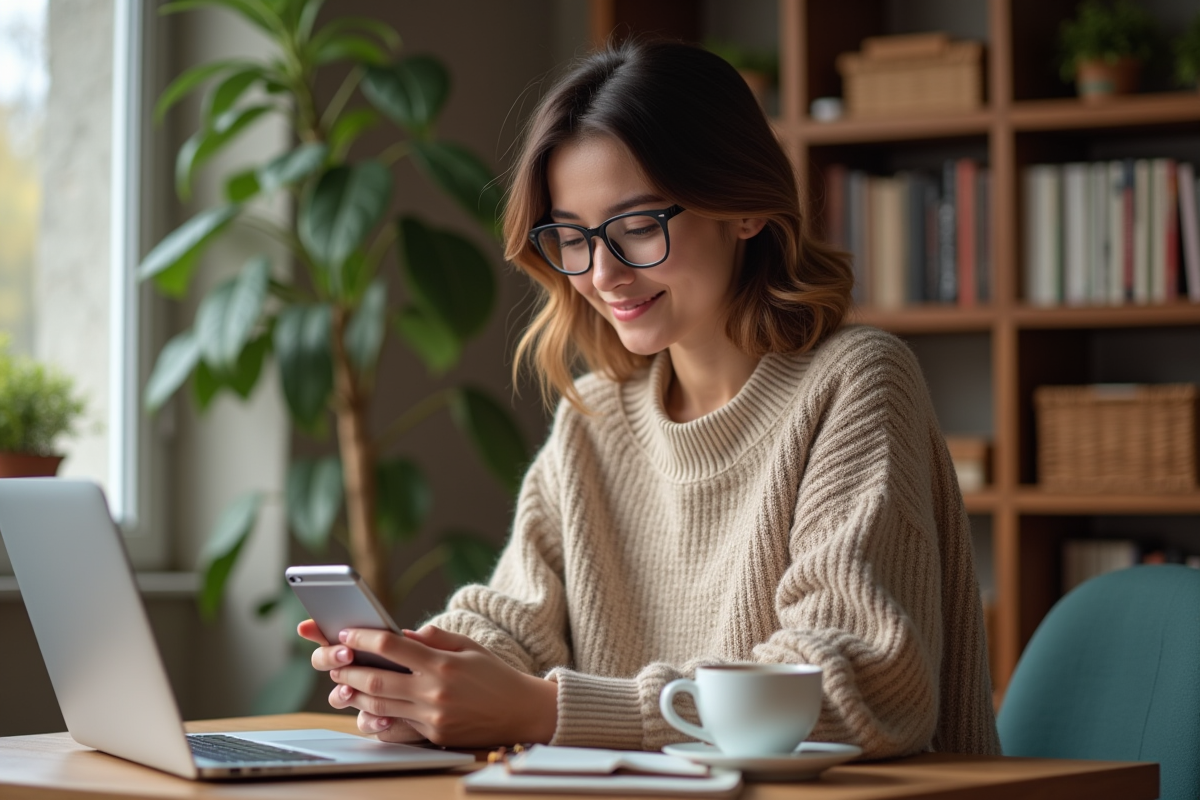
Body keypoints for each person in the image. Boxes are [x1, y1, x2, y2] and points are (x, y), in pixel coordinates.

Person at [300, 38, 1001, 759]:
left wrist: (547, 710)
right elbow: (515, 620)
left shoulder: (855, 381)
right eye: (570, 238)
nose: (603, 274)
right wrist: (428, 675)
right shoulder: (596, 416)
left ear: (744, 208)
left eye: (638, 228)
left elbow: (859, 681)